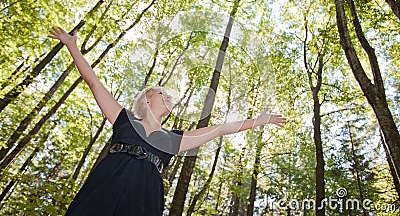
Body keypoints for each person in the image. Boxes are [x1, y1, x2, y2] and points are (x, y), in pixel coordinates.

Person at [48, 27, 286, 216]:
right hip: (107, 183)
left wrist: (258, 120)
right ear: (146, 101)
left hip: (146, 197)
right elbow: (94, 83)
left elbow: (221, 128)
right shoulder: (124, 120)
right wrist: (72, 46)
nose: (169, 97)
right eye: (163, 94)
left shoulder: (173, 139)